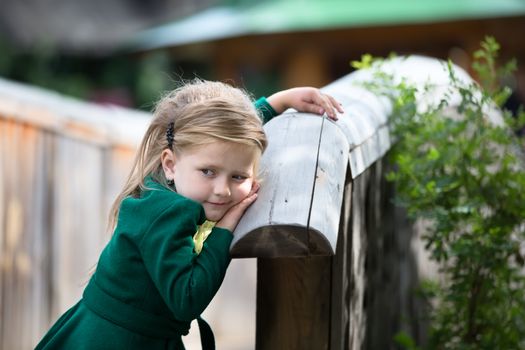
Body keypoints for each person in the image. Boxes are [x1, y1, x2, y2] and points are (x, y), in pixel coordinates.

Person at [35, 80, 343, 350]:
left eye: (238, 177)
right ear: (170, 164)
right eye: (208, 172)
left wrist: (277, 102)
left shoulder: (180, 173)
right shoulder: (164, 212)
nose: (222, 190)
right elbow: (187, 299)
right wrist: (225, 229)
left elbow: (227, 139)